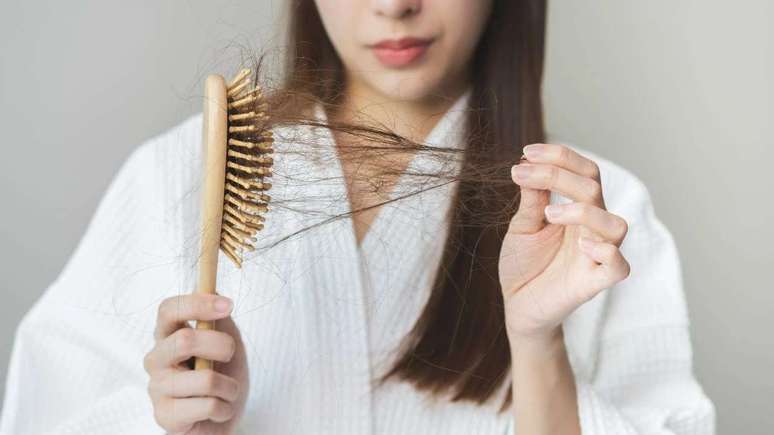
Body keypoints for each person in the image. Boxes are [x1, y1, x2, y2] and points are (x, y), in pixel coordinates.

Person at [0, 1, 716, 434]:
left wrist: (536, 345)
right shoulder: (179, 176)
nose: (394, 4)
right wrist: (170, 421)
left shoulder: (596, 219)